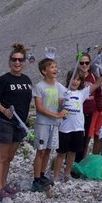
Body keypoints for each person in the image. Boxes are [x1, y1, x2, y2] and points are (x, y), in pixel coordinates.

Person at [0, 43, 33, 202]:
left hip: (20, 124)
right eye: (14, 60)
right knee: (1, 156)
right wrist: (4, 111)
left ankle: (4, 184)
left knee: (9, 157)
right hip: (5, 123)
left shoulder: (27, 80)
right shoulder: (3, 79)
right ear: (10, 62)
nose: (17, 63)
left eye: (20, 60)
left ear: (24, 62)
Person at [53, 70, 102, 181]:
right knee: (61, 153)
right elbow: (53, 79)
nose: (75, 82)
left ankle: (67, 174)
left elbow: (97, 84)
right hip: (64, 128)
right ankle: (55, 176)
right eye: (73, 79)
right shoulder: (63, 90)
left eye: (78, 79)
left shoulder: (82, 93)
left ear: (80, 82)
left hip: (78, 128)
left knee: (72, 152)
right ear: (68, 80)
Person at [32, 57, 68, 192]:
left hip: (54, 124)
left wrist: (63, 104)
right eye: (52, 67)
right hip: (43, 124)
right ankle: (36, 180)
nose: (55, 69)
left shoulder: (58, 86)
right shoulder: (39, 87)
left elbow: (60, 101)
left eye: (55, 66)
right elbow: (40, 108)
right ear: (43, 71)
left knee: (48, 150)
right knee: (40, 151)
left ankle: (42, 175)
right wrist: (56, 115)